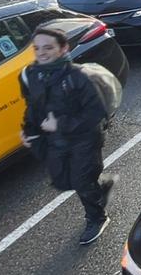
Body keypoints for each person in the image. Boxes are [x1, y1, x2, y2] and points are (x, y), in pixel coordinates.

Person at [19, 27, 114, 245]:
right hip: (56, 138)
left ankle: (97, 218)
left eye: (48, 47)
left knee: (80, 180)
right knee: (64, 179)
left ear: (63, 48)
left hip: (85, 137)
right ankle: (101, 185)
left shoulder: (79, 76)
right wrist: (28, 130)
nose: (41, 53)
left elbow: (95, 113)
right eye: (37, 48)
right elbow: (32, 107)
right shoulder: (30, 75)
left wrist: (60, 123)